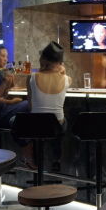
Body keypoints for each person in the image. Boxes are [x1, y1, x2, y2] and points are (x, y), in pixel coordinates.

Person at [29, 41, 69, 171]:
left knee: (21, 121)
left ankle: (33, 159)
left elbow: (30, 106)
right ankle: (56, 160)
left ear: (43, 59)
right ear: (60, 63)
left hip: (35, 126)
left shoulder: (32, 78)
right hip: (56, 127)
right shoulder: (67, 79)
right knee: (61, 122)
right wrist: (63, 72)